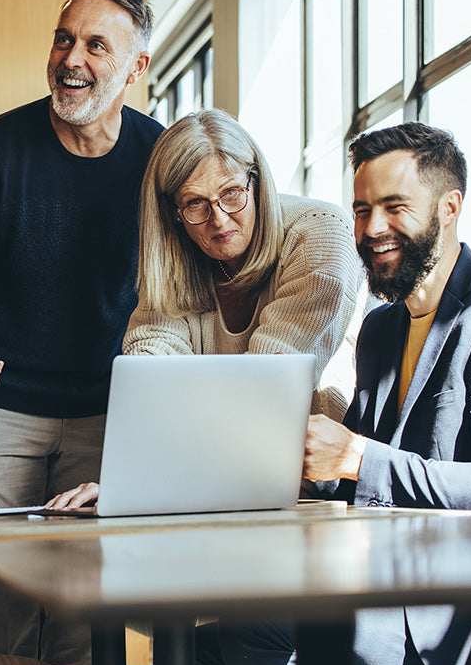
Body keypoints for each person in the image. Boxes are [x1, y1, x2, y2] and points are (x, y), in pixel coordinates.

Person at [0, 0, 164, 665]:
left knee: (84, 618)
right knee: (3, 615)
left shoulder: (160, 160)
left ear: (136, 68)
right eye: (63, 39)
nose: (71, 58)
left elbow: (181, 294)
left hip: (107, 411)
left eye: (94, 44)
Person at [298, 122, 471, 665]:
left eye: (394, 206)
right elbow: (355, 470)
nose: (373, 227)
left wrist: (356, 456)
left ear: (449, 207)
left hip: (456, 617)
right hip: (373, 583)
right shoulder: (382, 328)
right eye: (361, 210)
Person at [45, 108, 364, 518]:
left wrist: (148, 481)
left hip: (327, 490)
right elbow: (152, 381)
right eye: (195, 203)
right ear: (173, 214)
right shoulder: (178, 262)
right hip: (222, 481)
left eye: (232, 193)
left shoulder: (321, 234)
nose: (219, 220)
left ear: (257, 181)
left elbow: (266, 390)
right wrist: (129, 484)